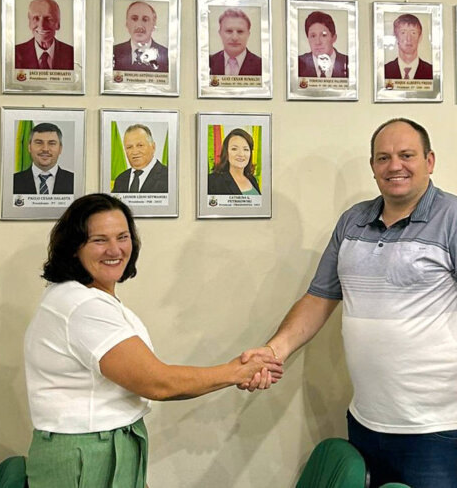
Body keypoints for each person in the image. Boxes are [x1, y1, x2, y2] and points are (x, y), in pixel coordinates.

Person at [241, 118, 457, 488]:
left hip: (442, 432)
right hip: (367, 424)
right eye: (383, 157)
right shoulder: (353, 222)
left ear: (430, 161)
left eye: (407, 155)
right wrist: (273, 352)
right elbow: (319, 299)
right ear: (373, 166)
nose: (395, 166)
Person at [23, 194, 281, 488]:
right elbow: (157, 382)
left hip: (105, 444)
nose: (115, 249)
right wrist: (238, 371)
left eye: (122, 237)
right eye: (99, 240)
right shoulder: (83, 308)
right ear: (74, 248)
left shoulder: (81, 296)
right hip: (86, 454)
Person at [13, 123, 75, 195]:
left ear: (60, 148)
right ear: (29, 147)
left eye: (51, 143)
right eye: (39, 143)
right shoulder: (13, 181)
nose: (45, 149)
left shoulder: (74, 181)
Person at [15, 0, 74, 70]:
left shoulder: (72, 54)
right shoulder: (15, 54)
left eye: (48, 19)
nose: (41, 26)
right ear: (29, 23)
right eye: (36, 18)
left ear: (58, 23)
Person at [112, 1, 169, 72]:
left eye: (145, 20)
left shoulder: (167, 56)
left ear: (154, 25)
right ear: (127, 24)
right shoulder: (113, 53)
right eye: (134, 19)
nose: (139, 25)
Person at [111, 125, 168, 194]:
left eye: (140, 145)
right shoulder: (120, 179)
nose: (135, 152)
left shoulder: (168, 177)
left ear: (153, 147)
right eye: (129, 147)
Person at [209, 9, 262, 76]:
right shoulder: (208, 62)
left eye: (240, 31)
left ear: (248, 34)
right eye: (229, 31)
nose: (234, 38)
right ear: (220, 33)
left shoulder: (261, 65)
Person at [208, 128, 261, 195]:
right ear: (226, 152)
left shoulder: (252, 179)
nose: (241, 154)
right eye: (234, 149)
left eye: (246, 149)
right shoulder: (212, 181)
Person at [297, 11, 349, 78]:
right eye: (313, 36)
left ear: (334, 38)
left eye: (323, 35)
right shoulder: (297, 64)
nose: (318, 42)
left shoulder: (349, 63)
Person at [383, 14, 433, 80]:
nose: (408, 38)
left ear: (420, 37)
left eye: (413, 33)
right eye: (403, 32)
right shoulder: (385, 71)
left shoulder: (431, 71)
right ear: (395, 36)